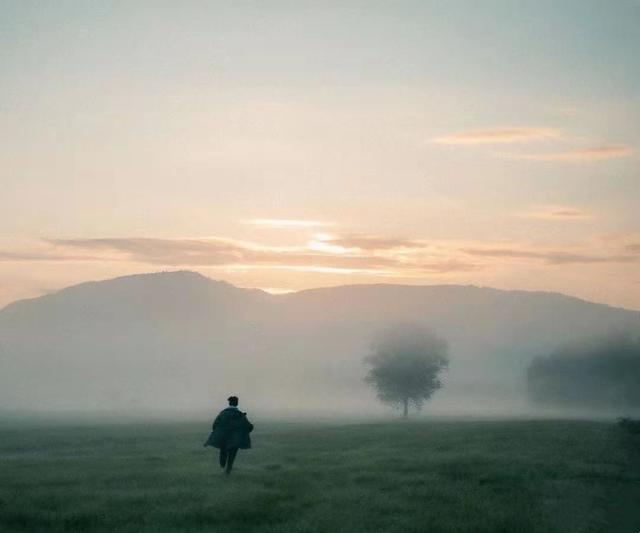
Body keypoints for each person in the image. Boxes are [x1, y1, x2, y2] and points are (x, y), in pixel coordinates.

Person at [203, 396, 254, 475]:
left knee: (223, 452)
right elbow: (249, 427)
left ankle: (222, 466)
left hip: (223, 439)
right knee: (232, 456)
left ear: (229, 403)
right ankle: (227, 473)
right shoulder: (240, 415)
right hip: (235, 440)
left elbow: (214, 426)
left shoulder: (223, 414)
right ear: (237, 403)